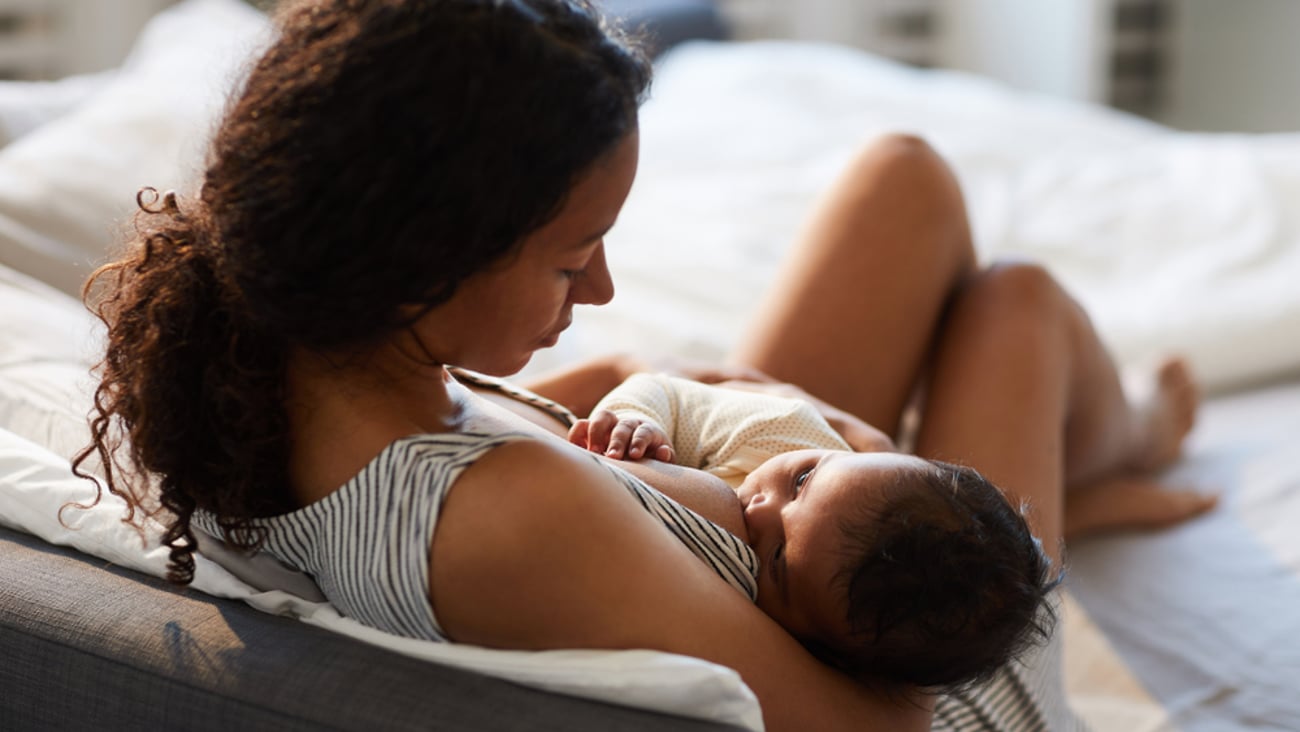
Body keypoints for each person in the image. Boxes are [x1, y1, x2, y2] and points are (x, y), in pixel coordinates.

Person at [71, 1, 1216, 730]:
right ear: (428, 262)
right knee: (1015, 301)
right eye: (573, 260)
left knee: (905, 179)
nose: (603, 285)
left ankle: (1095, 462)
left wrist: (672, 401)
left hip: (754, 520)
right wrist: (861, 453)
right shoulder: (514, 518)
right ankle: (1106, 458)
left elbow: (543, 408)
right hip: (942, 654)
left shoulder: (277, 364)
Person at [568, 372, 1060, 692]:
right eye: (801, 481)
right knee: (1017, 287)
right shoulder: (784, 432)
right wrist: (640, 419)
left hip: (1004, 707)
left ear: (820, 650)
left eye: (779, 558)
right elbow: (667, 391)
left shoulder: (803, 652)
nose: (759, 510)